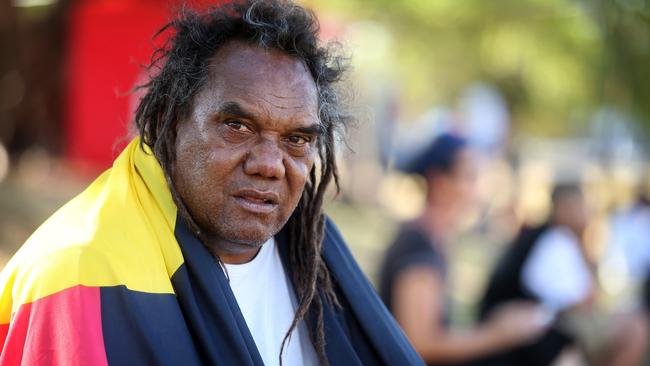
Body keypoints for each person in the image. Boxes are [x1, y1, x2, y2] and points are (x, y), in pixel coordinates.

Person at [0, 2, 422, 365]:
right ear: (168, 121)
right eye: (237, 126)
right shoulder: (78, 271)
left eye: (296, 139)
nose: (270, 165)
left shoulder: (311, 247)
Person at [378, 133, 547, 366]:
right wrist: (500, 333)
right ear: (439, 182)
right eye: (470, 177)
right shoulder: (417, 247)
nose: (480, 189)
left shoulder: (434, 240)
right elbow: (418, 344)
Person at [478, 183, 648, 366]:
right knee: (634, 330)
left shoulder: (565, 239)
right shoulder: (553, 240)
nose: (587, 213)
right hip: (533, 326)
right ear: (563, 207)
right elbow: (571, 297)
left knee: (634, 328)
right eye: (581, 206)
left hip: (546, 322)